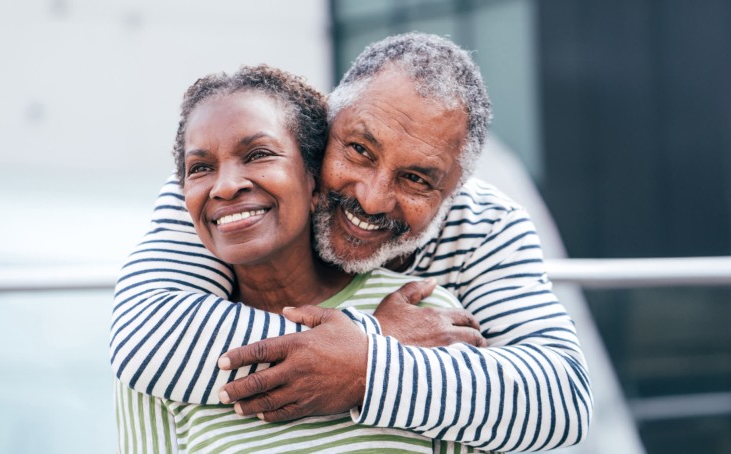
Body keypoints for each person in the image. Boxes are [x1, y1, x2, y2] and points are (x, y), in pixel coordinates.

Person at [111, 33, 592, 452]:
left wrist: (365, 368)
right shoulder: (227, 197)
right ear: (324, 127)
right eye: (359, 150)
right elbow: (146, 335)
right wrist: (372, 341)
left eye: (417, 179)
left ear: (454, 191)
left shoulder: (486, 226)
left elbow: (560, 400)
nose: (373, 197)